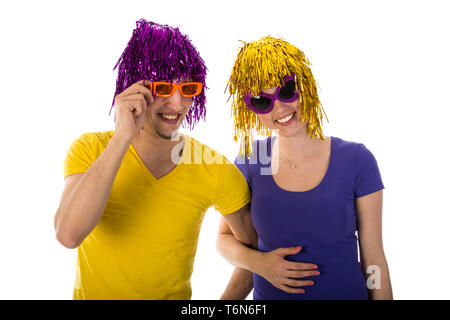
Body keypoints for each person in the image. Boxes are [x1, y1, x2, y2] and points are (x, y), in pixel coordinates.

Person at [53, 19, 255, 300]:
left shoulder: (213, 167)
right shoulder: (90, 149)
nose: (176, 104)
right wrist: (122, 137)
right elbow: (68, 235)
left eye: (186, 89)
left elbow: (255, 251)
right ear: (134, 87)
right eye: (162, 87)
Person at [217, 36, 393, 300]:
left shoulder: (357, 160)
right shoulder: (251, 161)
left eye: (287, 90)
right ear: (251, 110)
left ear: (306, 86)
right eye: (262, 101)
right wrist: (260, 264)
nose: (280, 107)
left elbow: (374, 260)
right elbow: (223, 239)